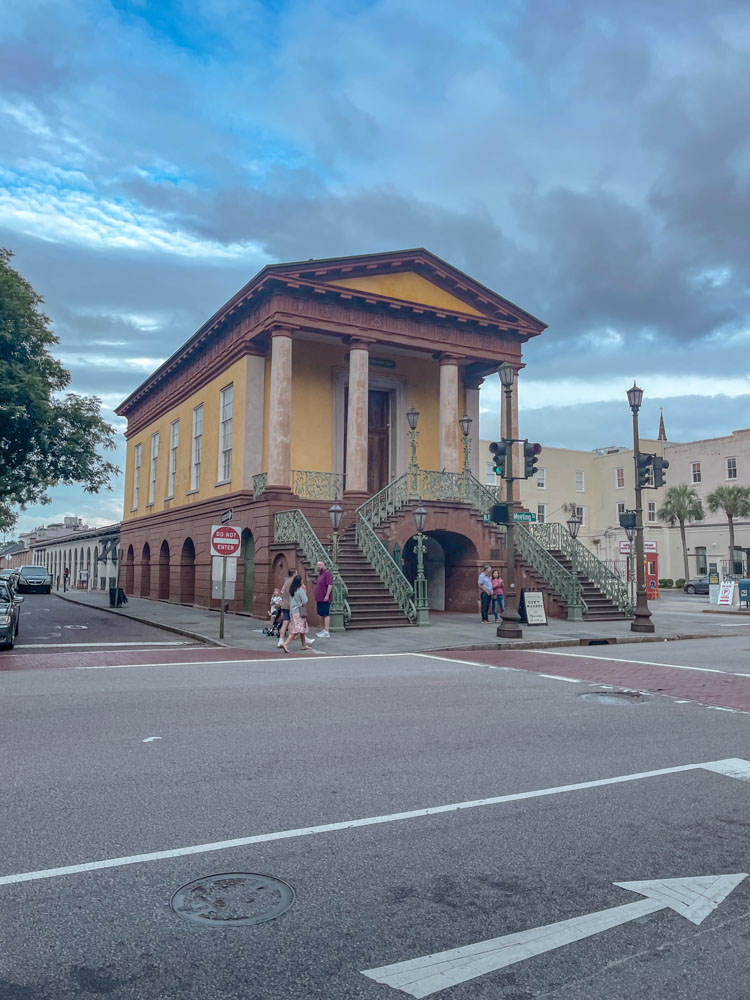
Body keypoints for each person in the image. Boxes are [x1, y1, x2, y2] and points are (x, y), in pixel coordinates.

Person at [281, 575, 315, 653]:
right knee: (297, 629)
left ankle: (304, 644)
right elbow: (305, 600)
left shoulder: (292, 590)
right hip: (299, 612)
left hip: (292, 611)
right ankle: (286, 643)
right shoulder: (300, 590)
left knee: (302, 628)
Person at [277, 568, 296, 648]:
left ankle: (281, 640)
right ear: (294, 574)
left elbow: (282, 591)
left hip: (285, 604)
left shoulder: (286, 582)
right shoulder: (294, 582)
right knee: (297, 623)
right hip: (292, 605)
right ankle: (303, 638)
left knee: (285, 623)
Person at [314, 560, 333, 638]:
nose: (319, 567)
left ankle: (326, 631)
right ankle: (324, 629)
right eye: (318, 565)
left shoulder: (327, 573)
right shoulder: (320, 574)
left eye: (320, 565)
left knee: (326, 614)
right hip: (319, 597)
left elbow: (330, 585)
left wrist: (327, 595)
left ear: (324, 565)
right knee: (321, 613)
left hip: (324, 597)